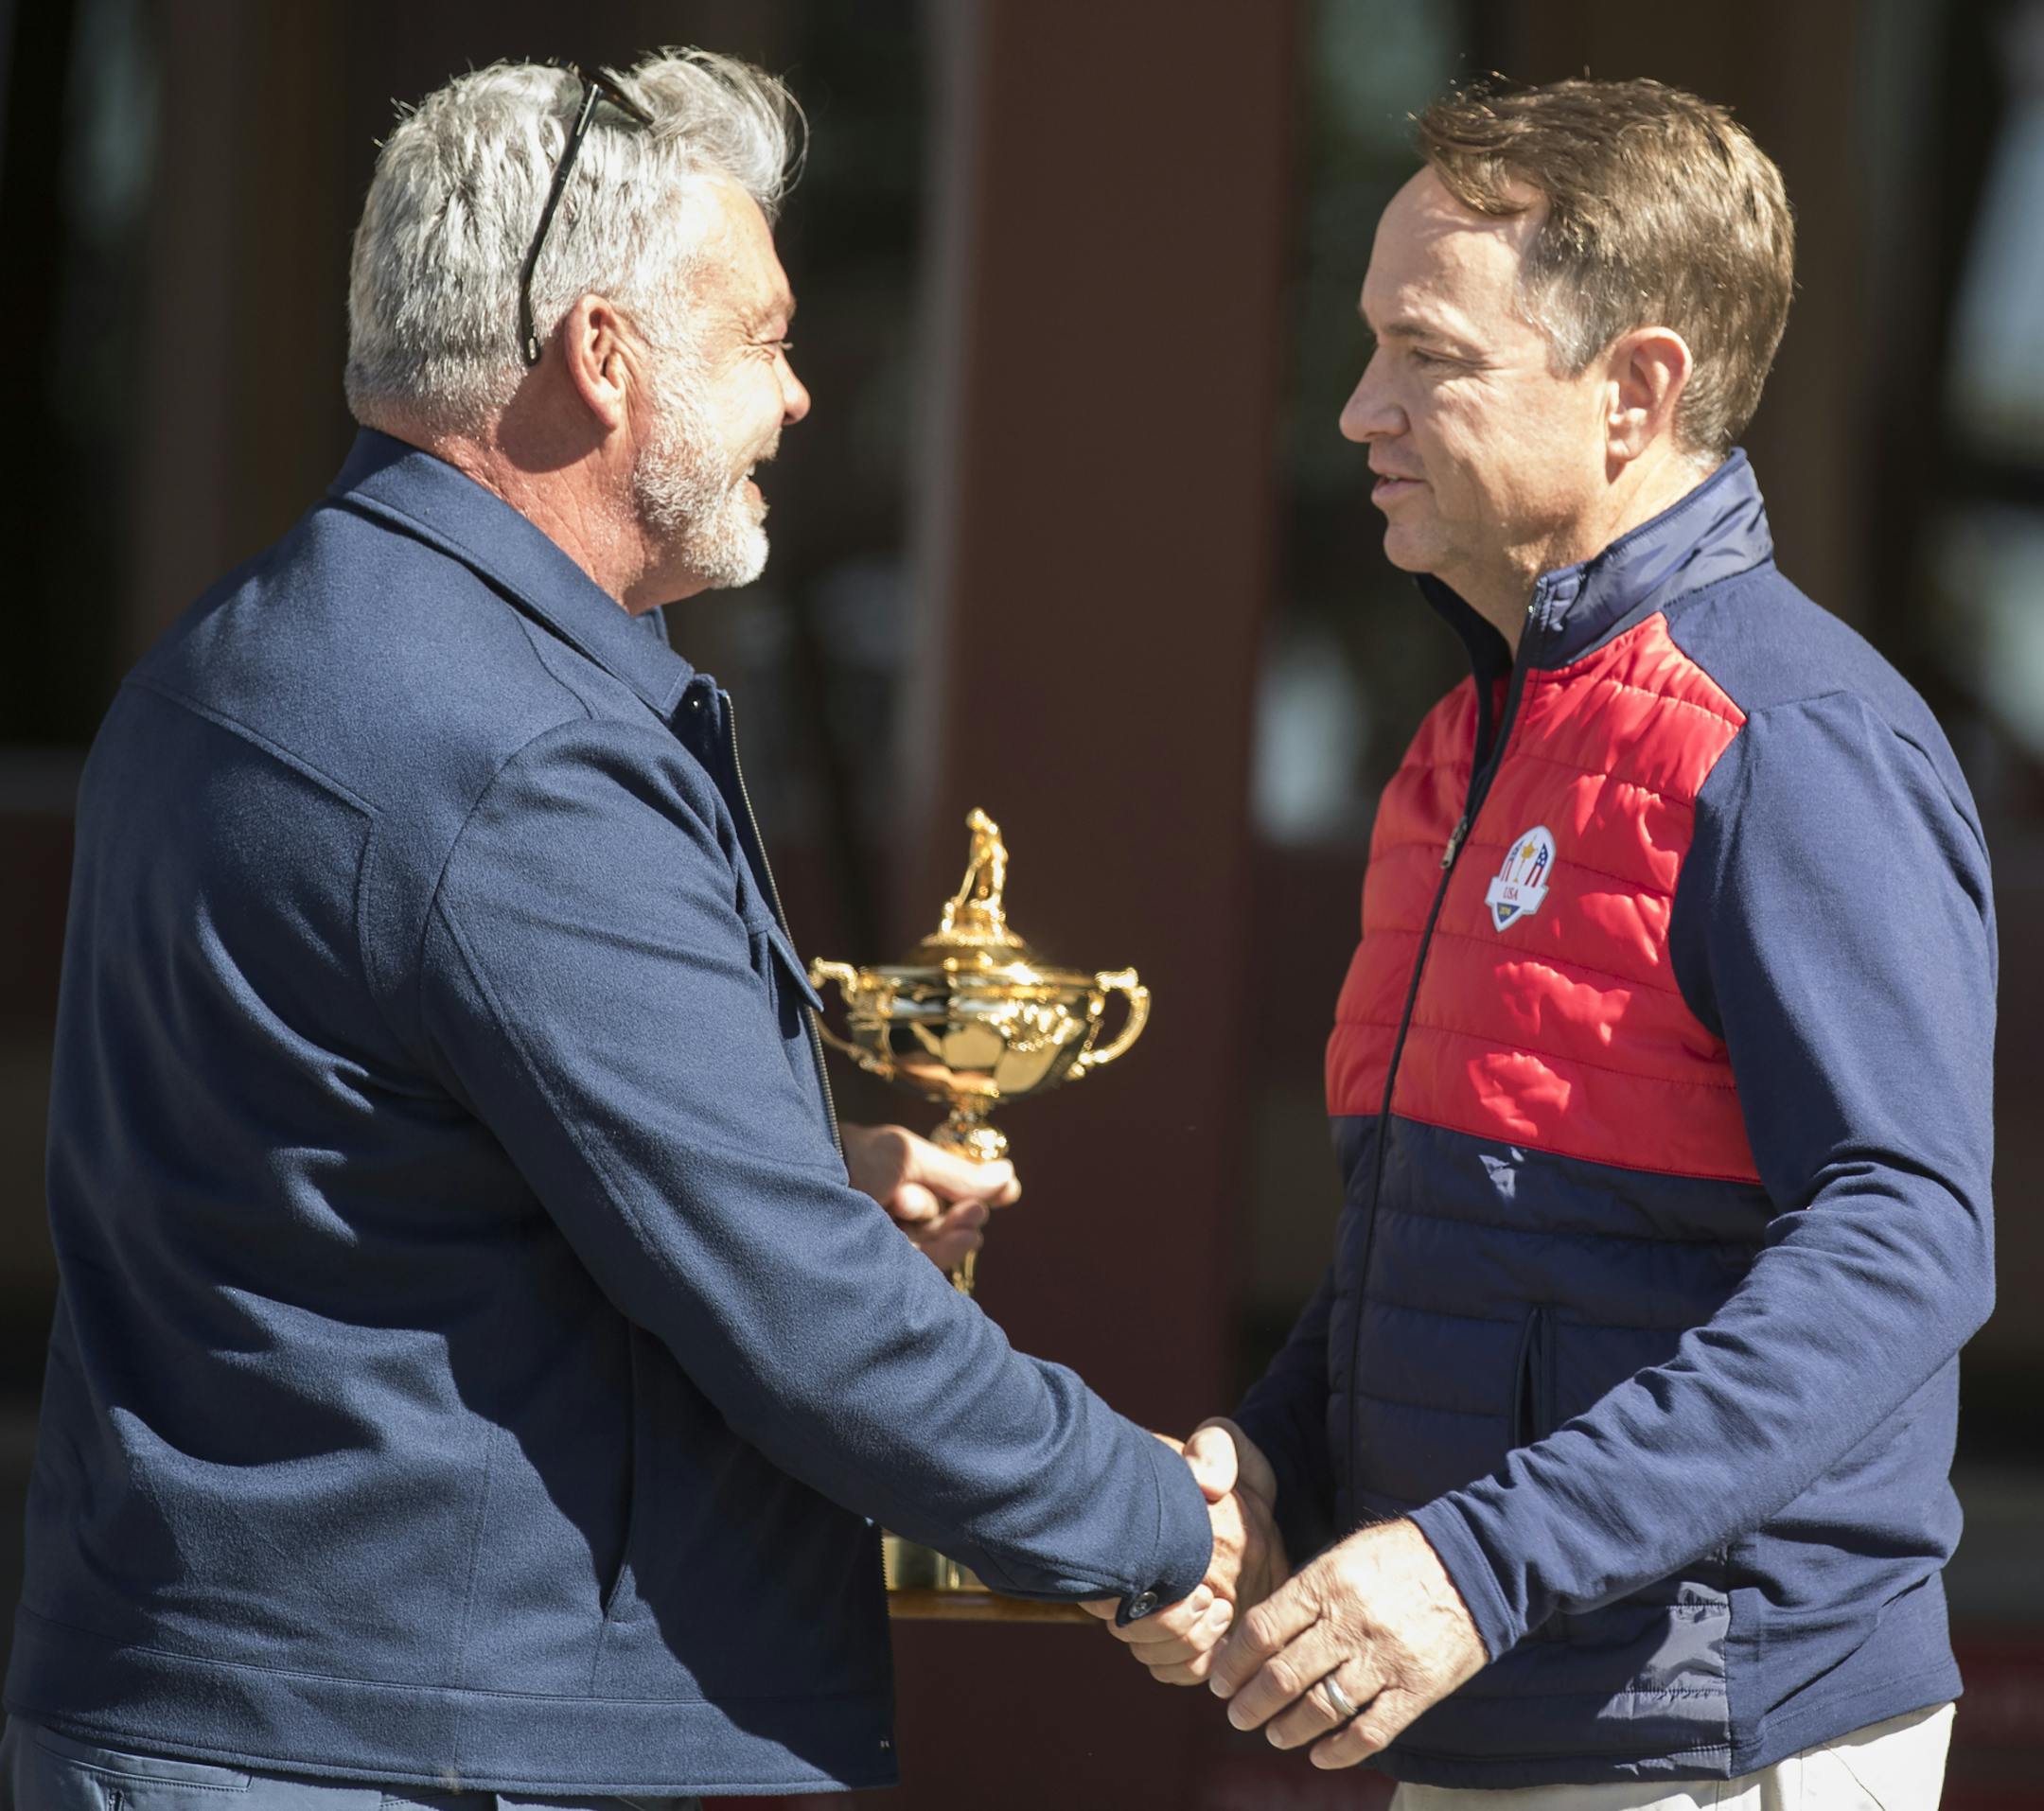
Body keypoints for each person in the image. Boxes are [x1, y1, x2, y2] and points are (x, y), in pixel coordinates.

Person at [0, 52, 1265, 1809]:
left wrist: (789, 1155)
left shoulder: (230, 659)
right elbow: (793, 1305)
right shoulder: (506, 743)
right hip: (433, 1742)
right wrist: (1146, 1519)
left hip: (257, 1706)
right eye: (760, 336)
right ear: (604, 356)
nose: (803, 395)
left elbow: (372, 1150)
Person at [1094, 78, 1996, 1810]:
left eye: (1428, 357)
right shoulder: (1470, 742)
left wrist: (1472, 1566)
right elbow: (1441, 1261)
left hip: (1717, 1742)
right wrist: (1270, 1467)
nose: (1360, 408)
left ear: (1635, 393)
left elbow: (1904, 1244)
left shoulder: (1790, 739)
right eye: (1366, 346)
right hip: (1509, 1723)